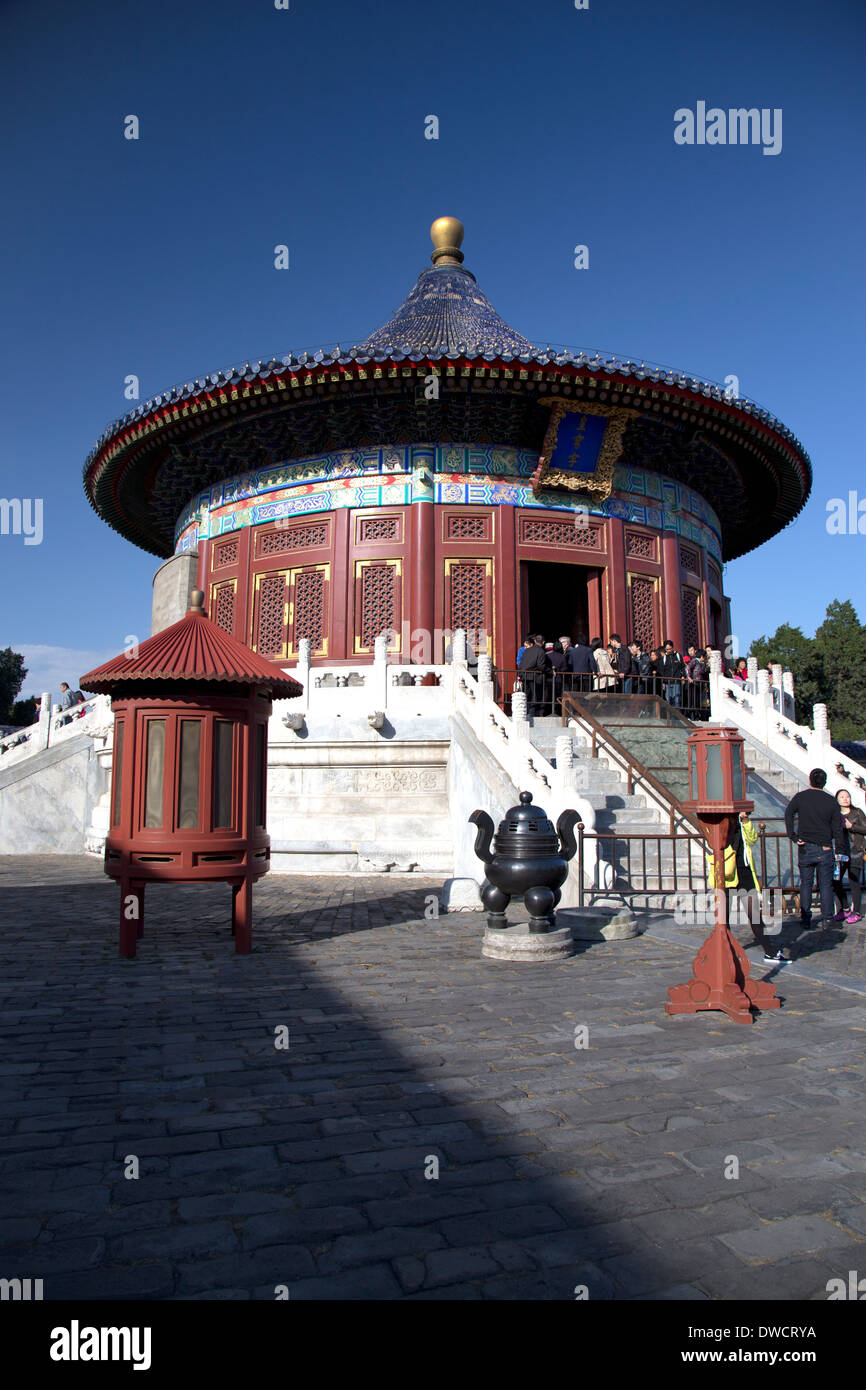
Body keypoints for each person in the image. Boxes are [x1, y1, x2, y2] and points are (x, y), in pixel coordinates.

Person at [707, 811, 786, 964]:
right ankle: (725, 952)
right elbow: (719, 842)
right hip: (727, 874)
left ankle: (770, 951)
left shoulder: (741, 822)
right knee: (724, 918)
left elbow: (752, 840)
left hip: (745, 872)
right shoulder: (721, 822)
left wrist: (745, 820)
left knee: (754, 914)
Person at [785, 769, 846, 931]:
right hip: (825, 846)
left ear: (810, 780)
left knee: (806, 884)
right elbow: (837, 828)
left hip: (805, 845)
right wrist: (839, 847)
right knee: (826, 885)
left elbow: (789, 813)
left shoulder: (801, 797)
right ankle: (827, 919)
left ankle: (806, 919)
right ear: (824, 782)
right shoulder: (831, 801)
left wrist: (792, 834)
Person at [833, 789, 865, 924]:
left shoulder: (857, 812)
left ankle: (856, 912)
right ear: (837, 800)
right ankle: (845, 908)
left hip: (856, 851)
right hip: (840, 853)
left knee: (853, 881)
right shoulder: (834, 814)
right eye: (842, 797)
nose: (845, 799)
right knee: (835, 881)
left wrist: (852, 826)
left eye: (847, 796)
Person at [518, 635, 550, 716]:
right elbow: (541, 666)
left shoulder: (527, 650)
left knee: (527, 694)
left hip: (524, 675)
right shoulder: (541, 651)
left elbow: (522, 663)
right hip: (534, 676)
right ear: (543, 642)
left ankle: (526, 711)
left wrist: (520, 674)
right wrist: (550, 671)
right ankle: (532, 712)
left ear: (535, 641)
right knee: (534, 694)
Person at [659, 640, 685, 706]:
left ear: (672, 647)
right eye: (667, 649)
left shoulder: (678, 656)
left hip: (676, 681)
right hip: (667, 682)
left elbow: (682, 667)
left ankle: (677, 715)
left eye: (670, 649)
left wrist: (683, 676)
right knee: (669, 701)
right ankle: (670, 716)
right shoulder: (664, 658)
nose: (669, 650)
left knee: (677, 700)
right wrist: (663, 682)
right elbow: (662, 671)